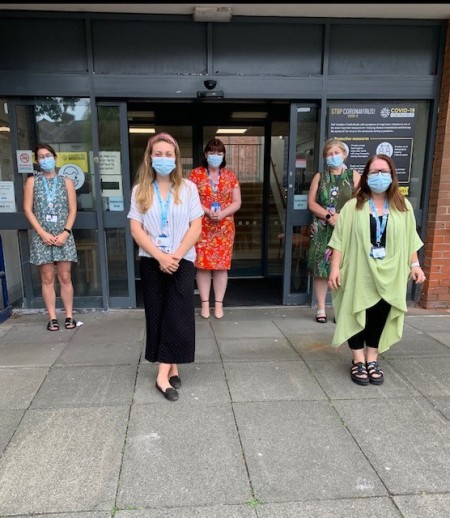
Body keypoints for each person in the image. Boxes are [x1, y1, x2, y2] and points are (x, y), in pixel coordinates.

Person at [328, 154, 426, 385]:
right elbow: (339, 240)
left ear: (392, 176)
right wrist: (335, 268)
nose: (379, 176)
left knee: (379, 314)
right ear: (366, 176)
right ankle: (358, 360)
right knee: (356, 310)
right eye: (374, 172)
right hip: (359, 269)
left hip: (391, 272)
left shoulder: (403, 206)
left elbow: (410, 239)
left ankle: (372, 358)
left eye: (384, 172)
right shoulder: (354, 206)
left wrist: (415, 265)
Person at [128, 133, 203, 402]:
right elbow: (136, 229)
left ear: (176, 158)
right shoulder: (140, 190)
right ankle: (171, 366)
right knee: (158, 313)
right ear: (150, 157)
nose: (163, 158)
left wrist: (176, 256)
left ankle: (161, 375)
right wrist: (160, 256)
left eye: (168, 154)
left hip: (183, 260)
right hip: (152, 261)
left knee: (178, 313)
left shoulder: (189, 188)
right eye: (157, 154)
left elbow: (196, 226)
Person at [23, 144, 78, 331]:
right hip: (42, 237)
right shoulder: (32, 182)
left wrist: (66, 232)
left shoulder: (67, 182)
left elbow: (73, 210)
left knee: (65, 276)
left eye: (48, 155)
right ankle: (52, 317)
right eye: (41, 157)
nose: (45, 159)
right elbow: (27, 210)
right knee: (47, 278)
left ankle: (69, 315)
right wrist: (42, 233)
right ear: (37, 161)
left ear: (55, 157)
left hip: (64, 235)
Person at [307, 138, 360, 323]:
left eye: (336, 153)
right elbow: (311, 203)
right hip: (322, 230)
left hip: (345, 228)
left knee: (343, 269)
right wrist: (329, 217)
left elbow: (361, 203)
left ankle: (339, 309)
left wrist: (342, 218)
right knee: (321, 269)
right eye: (329, 154)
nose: (333, 156)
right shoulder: (320, 177)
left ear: (344, 154)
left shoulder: (353, 176)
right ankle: (321, 308)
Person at [189, 138, 241, 319]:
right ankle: (204, 304)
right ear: (205, 154)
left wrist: (223, 212)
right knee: (202, 267)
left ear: (224, 155)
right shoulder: (195, 175)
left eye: (219, 153)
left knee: (221, 268)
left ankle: (218, 304)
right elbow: (191, 199)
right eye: (212, 152)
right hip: (202, 226)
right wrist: (207, 211)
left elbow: (237, 202)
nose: (215, 156)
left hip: (224, 229)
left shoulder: (230, 176)